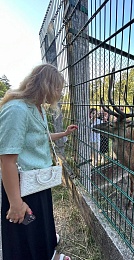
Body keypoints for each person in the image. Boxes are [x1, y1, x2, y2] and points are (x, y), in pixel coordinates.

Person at [0, 64, 78, 260]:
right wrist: (16, 202)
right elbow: (6, 159)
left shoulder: (36, 108)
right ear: (48, 86)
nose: (60, 93)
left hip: (37, 180)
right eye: (59, 88)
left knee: (39, 221)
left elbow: (41, 137)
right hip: (21, 185)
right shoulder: (17, 110)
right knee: (26, 226)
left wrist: (65, 133)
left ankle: (48, 250)